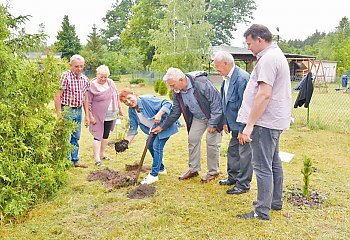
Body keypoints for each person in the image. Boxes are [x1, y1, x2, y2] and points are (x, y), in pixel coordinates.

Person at [236, 24, 292, 220]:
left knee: (262, 166)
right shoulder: (275, 55)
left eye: (249, 43)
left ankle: (261, 211)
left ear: (259, 39)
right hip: (273, 121)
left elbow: (264, 94)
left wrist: (249, 124)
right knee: (274, 162)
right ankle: (273, 201)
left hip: (264, 122)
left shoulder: (268, 59)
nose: (248, 47)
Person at [152, 67, 223, 183]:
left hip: (213, 116)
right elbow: (176, 111)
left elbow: (216, 102)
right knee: (192, 139)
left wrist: (213, 123)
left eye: (173, 85)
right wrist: (162, 126)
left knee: (212, 143)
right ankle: (194, 169)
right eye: (170, 86)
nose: (171, 88)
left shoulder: (201, 83)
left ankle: (213, 172)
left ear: (181, 80)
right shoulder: (177, 92)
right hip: (198, 117)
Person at [212, 51, 253, 194]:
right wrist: (225, 122)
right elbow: (225, 102)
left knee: (245, 155)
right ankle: (233, 178)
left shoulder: (242, 79)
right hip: (233, 124)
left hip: (243, 125)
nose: (216, 69)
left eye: (217, 66)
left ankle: (243, 185)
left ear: (226, 63)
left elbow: (246, 105)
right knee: (233, 151)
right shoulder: (226, 79)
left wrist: (243, 129)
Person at [119, 88, 178, 184]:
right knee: (149, 144)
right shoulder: (132, 111)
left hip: (164, 125)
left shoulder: (146, 99)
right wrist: (126, 142)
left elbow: (167, 103)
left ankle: (154, 175)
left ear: (134, 94)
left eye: (130, 98)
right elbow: (133, 128)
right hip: (153, 130)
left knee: (156, 146)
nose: (129, 102)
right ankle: (161, 169)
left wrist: (159, 114)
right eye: (125, 102)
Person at [54, 54, 90, 168]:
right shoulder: (65, 76)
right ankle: (65, 161)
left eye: (81, 66)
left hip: (78, 110)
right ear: (70, 66)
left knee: (76, 136)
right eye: (76, 66)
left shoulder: (84, 79)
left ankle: (75, 160)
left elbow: (85, 98)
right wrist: (59, 113)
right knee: (66, 136)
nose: (79, 69)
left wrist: (87, 115)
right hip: (67, 109)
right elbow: (57, 95)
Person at [88, 65, 123, 167]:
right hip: (98, 115)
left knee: (106, 134)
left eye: (105, 77)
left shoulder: (111, 82)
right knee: (97, 135)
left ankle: (103, 154)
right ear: (97, 75)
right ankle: (97, 159)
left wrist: (120, 109)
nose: (103, 79)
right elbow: (88, 102)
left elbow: (116, 95)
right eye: (101, 77)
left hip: (111, 114)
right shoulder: (91, 85)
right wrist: (90, 116)